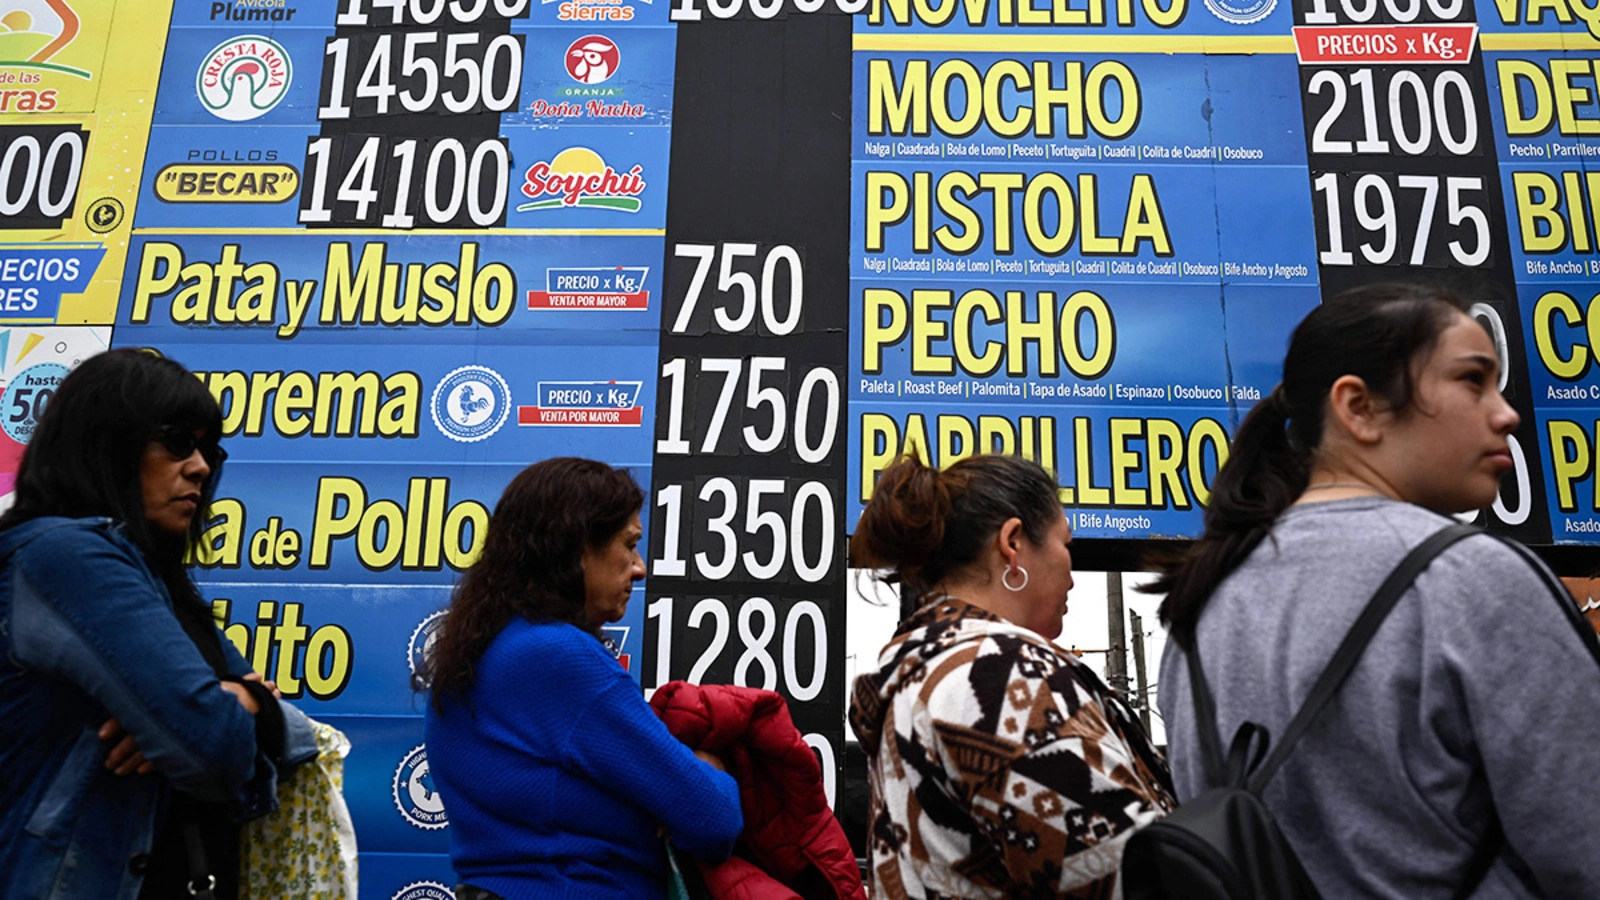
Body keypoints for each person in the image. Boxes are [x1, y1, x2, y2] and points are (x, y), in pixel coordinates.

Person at [1152, 283, 1600, 897]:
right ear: (1357, 408)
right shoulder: (1472, 581)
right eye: (1473, 381)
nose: (1507, 413)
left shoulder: (1200, 610)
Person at [0, 348, 318, 900]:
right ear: (106, 444)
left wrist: (235, 704)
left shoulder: (157, 580)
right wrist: (222, 709)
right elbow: (212, 748)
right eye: (176, 442)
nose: (198, 467)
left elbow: (288, 732)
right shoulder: (66, 555)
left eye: (208, 451)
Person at [848, 452, 1173, 899]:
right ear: (1013, 542)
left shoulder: (924, 674)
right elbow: (1133, 875)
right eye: (1066, 545)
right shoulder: (995, 676)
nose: (1072, 575)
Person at [419, 457, 743, 900]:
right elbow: (712, 819)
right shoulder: (561, 658)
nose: (639, 567)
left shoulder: (487, 648)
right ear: (577, 547)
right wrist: (713, 768)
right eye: (629, 545)